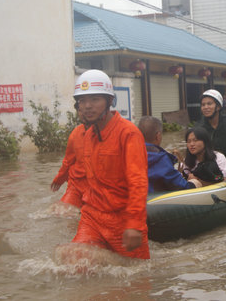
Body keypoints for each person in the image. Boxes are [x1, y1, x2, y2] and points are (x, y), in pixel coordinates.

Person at [62, 69, 150, 260]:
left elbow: (138, 183)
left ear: (109, 101)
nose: (87, 106)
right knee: (73, 261)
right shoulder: (87, 135)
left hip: (123, 221)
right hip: (92, 218)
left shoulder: (128, 134)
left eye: (94, 99)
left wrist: (134, 224)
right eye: (82, 101)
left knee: (137, 280)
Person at [137, 116, 195, 192]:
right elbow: (182, 186)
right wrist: (193, 183)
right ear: (158, 136)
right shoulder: (160, 159)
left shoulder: (128, 155)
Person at [50, 104, 87, 209]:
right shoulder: (75, 134)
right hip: (76, 187)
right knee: (61, 213)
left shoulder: (108, 132)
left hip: (96, 189)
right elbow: (68, 161)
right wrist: (59, 179)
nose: (83, 112)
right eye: (80, 110)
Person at [196, 89, 226, 168]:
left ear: (218, 106)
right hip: (209, 171)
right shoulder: (198, 128)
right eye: (203, 105)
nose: (205, 107)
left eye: (209, 104)